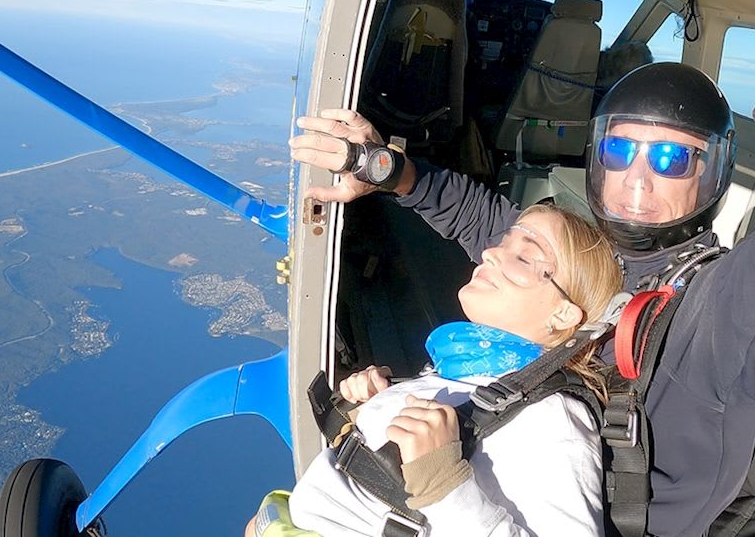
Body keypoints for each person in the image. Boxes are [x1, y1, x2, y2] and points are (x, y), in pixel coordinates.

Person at [292, 0, 755, 536]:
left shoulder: (713, 314)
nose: (636, 176)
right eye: (622, 147)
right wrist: (386, 169)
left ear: (712, 176)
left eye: (673, 160)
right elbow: (485, 221)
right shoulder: (587, 255)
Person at [248, 203, 622, 537]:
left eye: (525, 258)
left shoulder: (553, 419)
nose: (490, 254)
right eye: (504, 243)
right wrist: (376, 414)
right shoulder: (460, 379)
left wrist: (445, 485)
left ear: (563, 314)